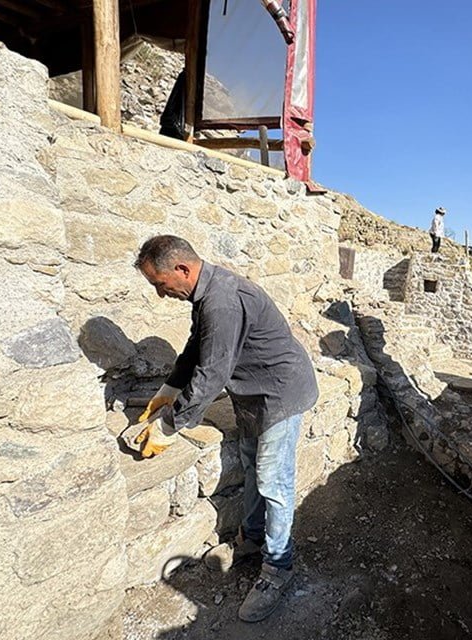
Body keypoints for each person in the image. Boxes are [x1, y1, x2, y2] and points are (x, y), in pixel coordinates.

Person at [132, 235, 319, 622]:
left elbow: (213, 372)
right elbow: (196, 349)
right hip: (255, 393)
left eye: (160, 284)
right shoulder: (206, 293)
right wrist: (168, 390)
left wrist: (169, 426)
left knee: (273, 482)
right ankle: (251, 539)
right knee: (252, 465)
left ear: (182, 270)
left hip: (280, 392)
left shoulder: (221, 300)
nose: (160, 294)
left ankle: (278, 567)